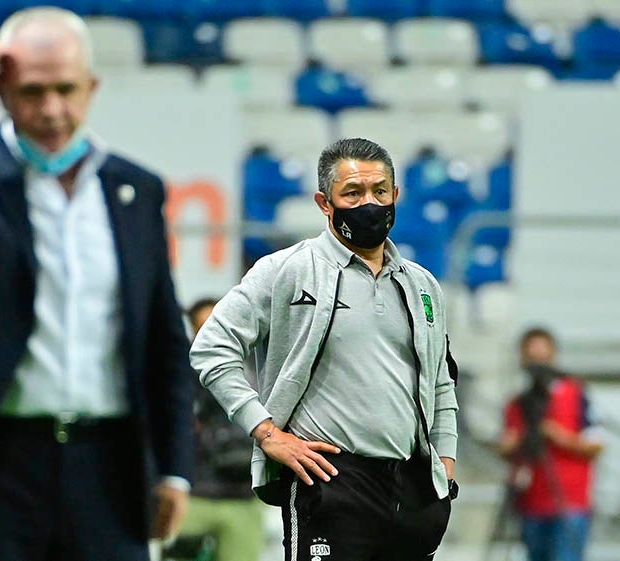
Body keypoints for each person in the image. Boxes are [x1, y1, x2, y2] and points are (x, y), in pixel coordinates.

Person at [0, 7, 194, 560]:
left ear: (91, 88)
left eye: (66, 89)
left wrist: (174, 469)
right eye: (31, 91)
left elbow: (163, 340)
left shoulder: (136, 190)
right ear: (4, 90)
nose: (51, 110)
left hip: (110, 468)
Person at [190, 138, 460, 561]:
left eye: (380, 191)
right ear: (324, 202)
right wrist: (265, 433)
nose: (369, 203)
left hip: (412, 489)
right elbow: (211, 348)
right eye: (353, 193)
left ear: (396, 195)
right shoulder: (285, 270)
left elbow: (441, 383)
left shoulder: (423, 285)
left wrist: (445, 459)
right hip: (331, 478)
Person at [173, 297, 266, 561]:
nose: (212, 333)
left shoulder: (259, 366)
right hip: (196, 493)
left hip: (244, 496)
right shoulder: (182, 375)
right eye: (202, 327)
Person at [499, 327, 603, 561]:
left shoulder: (577, 394)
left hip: (569, 503)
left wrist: (558, 435)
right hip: (531, 504)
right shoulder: (517, 403)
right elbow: (505, 447)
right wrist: (516, 442)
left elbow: (596, 444)